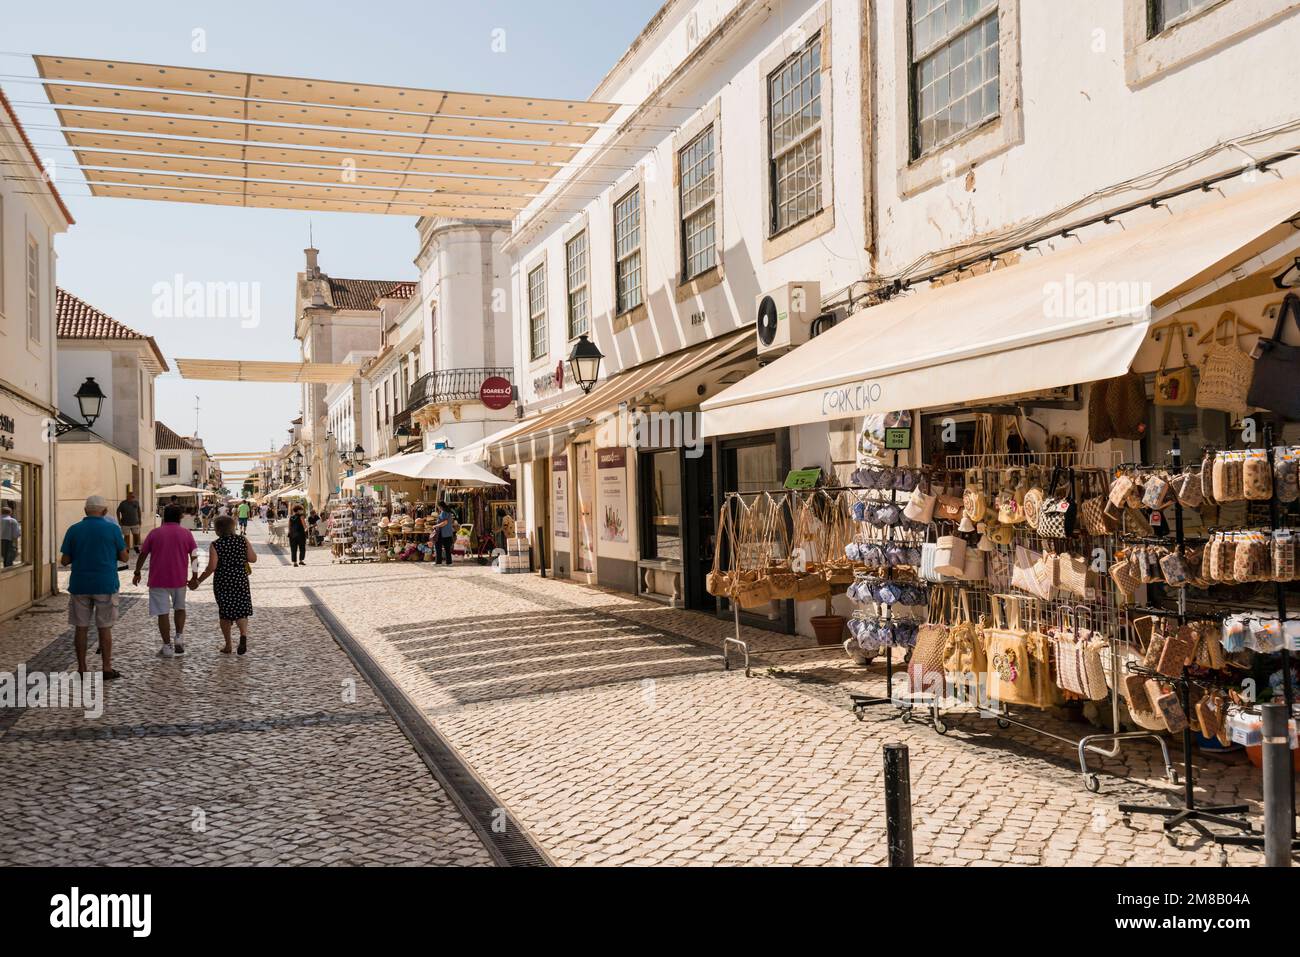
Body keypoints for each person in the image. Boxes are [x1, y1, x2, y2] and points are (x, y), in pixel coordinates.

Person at [60, 495, 127, 680]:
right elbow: (125, 557)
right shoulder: (112, 529)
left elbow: (64, 560)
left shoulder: (73, 530)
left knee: (80, 628)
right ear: (105, 511)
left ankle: (82, 668)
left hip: (80, 584)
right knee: (104, 628)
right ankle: (106, 668)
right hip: (105, 584)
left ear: (85, 511)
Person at [133, 504, 198, 657]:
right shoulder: (186, 534)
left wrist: (137, 572)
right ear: (180, 517)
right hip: (179, 579)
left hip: (158, 579)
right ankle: (179, 638)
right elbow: (194, 555)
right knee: (180, 608)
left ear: (163, 516)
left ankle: (167, 647)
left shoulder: (154, 533)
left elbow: (143, 554)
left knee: (162, 613)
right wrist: (195, 576)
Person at [194, 514, 256, 655]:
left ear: (217, 530)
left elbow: (211, 567)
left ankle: (228, 645)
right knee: (241, 610)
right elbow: (253, 559)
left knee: (225, 613)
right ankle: (243, 635)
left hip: (223, 582)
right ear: (232, 527)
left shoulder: (216, 544)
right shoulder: (242, 540)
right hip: (240, 580)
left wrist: (198, 581)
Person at [431, 500, 458, 565]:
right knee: (447, 548)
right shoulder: (448, 512)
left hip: (442, 533)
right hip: (448, 533)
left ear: (440, 506)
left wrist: (435, 525)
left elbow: (444, 523)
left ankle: (438, 562)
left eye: (438, 507)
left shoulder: (444, 512)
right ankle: (449, 562)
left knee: (438, 547)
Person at [116, 489, 142, 554]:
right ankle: (127, 548)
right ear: (127, 496)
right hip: (125, 523)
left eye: (133, 496)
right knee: (126, 536)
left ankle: (136, 546)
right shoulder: (123, 503)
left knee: (136, 535)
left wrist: (140, 519)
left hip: (135, 522)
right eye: (131, 496)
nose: (132, 497)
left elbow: (139, 511)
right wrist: (119, 520)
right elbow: (118, 511)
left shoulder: (136, 502)